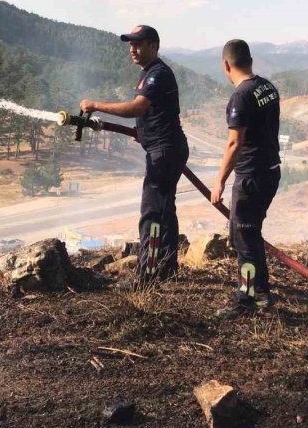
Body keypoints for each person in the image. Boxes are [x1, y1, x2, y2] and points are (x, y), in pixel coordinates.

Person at [80, 25, 189, 285]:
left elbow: (137, 108)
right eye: (130, 44)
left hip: (164, 152)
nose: (132, 49)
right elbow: (153, 113)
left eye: (138, 44)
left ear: (154, 46)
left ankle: (146, 277)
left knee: (152, 214)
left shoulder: (157, 74)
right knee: (164, 210)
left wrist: (95, 105)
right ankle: (167, 268)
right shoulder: (149, 74)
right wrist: (141, 132)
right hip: (165, 149)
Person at [211, 39, 281, 318]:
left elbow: (233, 144)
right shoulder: (267, 87)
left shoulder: (241, 96)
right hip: (271, 171)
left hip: (251, 176)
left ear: (226, 65)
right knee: (251, 232)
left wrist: (219, 180)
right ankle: (260, 290)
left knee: (244, 238)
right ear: (250, 61)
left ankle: (247, 300)